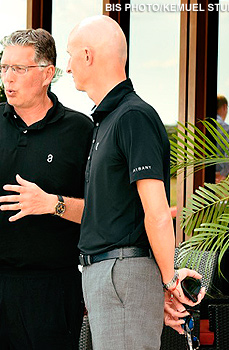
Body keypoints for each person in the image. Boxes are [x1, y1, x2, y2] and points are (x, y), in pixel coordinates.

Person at [0, 28, 93, 349]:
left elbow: (99, 212)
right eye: (3, 67)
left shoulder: (80, 130)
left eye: (19, 69)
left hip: (49, 291)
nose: (7, 78)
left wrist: (52, 203)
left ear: (47, 74)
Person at [64, 16, 205, 349]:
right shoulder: (108, 120)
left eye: (70, 56)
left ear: (87, 55)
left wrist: (169, 281)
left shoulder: (132, 118)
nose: (67, 68)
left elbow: (156, 212)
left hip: (121, 275)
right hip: (112, 276)